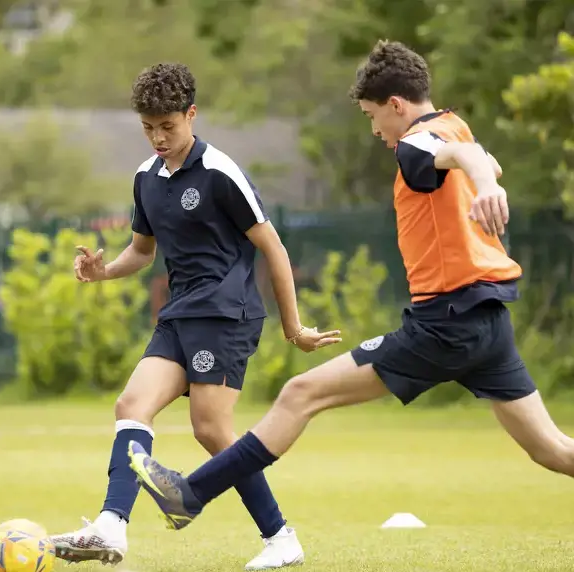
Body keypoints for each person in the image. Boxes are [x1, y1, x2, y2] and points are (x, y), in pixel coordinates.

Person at [127, 40, 574, 535]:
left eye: (371, 115)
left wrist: (486, 184)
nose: (375, 129)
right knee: (551, 449)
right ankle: (191, 496)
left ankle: (190, 494)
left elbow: (462, 156)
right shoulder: (455, 123)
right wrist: (489, 178)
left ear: (396, 105)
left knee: (300, 393)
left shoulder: (417, 142)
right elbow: (478, 155)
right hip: (490, 321)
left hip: (446, 323)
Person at [50, 62, 341, 571]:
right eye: (148, 128)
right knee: (131, 405)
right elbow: (142, 252)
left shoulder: (221, 173)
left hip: (227, 313)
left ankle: (280, 538)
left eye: (168, 126)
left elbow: (272, 247)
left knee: (210, 428)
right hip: (180, 313)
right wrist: (103, 272)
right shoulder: (145, 178)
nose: (158, 138)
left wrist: (293, 326)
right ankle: (111, 527)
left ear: (191, 114)